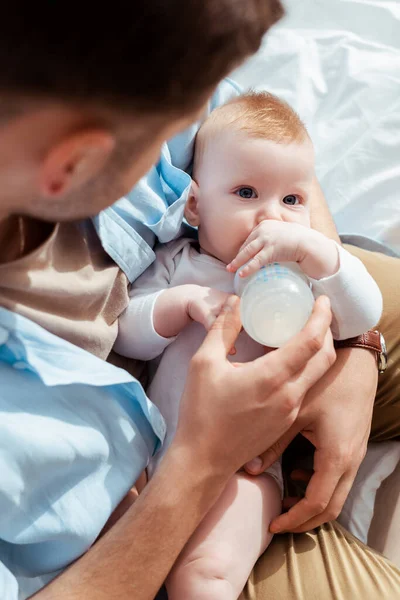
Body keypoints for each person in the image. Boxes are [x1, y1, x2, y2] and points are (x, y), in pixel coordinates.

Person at [0, 2, 398, 600]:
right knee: (205, 577)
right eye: (168, 135)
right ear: (77, 163)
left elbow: (263, 141)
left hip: (298, 367)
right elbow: (137, 325)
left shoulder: (103, 82)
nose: (177, 153)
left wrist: (355, 355)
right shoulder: (178, 265)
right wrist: (204, 460)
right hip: (194, 490)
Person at [115, 91, 384, 600]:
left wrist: (319, 253)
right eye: (246, 193)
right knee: (115, 532)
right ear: (195, 204)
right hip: (152, 457)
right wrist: (183, 303)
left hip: (247, 469)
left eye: (292, 200)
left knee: (207, 574)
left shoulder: (302, 274)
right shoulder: (180, 263)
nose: (273, 219)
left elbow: (364, 312)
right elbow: (127, 328)